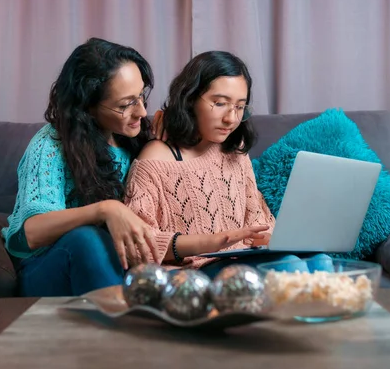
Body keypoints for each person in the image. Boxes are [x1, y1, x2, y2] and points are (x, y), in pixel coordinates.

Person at [124, 51, 331, 278]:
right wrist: (212, 242)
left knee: (322, 260)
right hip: (194, 273)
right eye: (220, 103)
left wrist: (268, 237)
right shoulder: (154, 161)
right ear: (190, 98)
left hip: (244, 259)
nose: (231, 119)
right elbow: (138, 246)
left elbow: (257, 217)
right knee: (289, 267)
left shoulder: (235, 149)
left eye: (240, 106)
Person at [2, 38, 161, 296]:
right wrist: (105, 210)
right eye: (125, 105)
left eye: (141, 96)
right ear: (87, 107)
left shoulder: (139, 139)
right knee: (87, 239)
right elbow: (31, 232)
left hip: (119, 265)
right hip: (50, 268)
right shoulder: (51, 144)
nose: (142, 112)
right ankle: (120, 330)